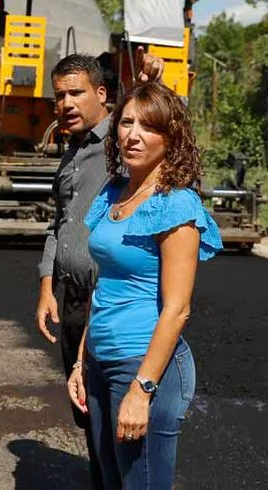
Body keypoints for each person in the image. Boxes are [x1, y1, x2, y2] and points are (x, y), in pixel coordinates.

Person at [67, 83, 222, 490]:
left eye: (148, 127)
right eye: (126, 122)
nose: (132, 135)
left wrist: (142, 390)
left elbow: (178, 309)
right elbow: (104, 286)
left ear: (171, 137)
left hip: (142, 366)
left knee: (142, 483)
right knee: (109, 478)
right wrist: (83, 360)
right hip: (101, 362)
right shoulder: (115, 193)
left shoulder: (176, 204)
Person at [35, 53, 163, 490]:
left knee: (118, 422)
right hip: (71, 300)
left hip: (108, 301)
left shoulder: (119, 144)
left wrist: (151, 88)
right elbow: (62, 222)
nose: (65, 103)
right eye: (59, 96)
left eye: (76, 93)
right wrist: (47, 283)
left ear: (103, 95)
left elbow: (162, 136)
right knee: (88, 412)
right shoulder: (72, 152)